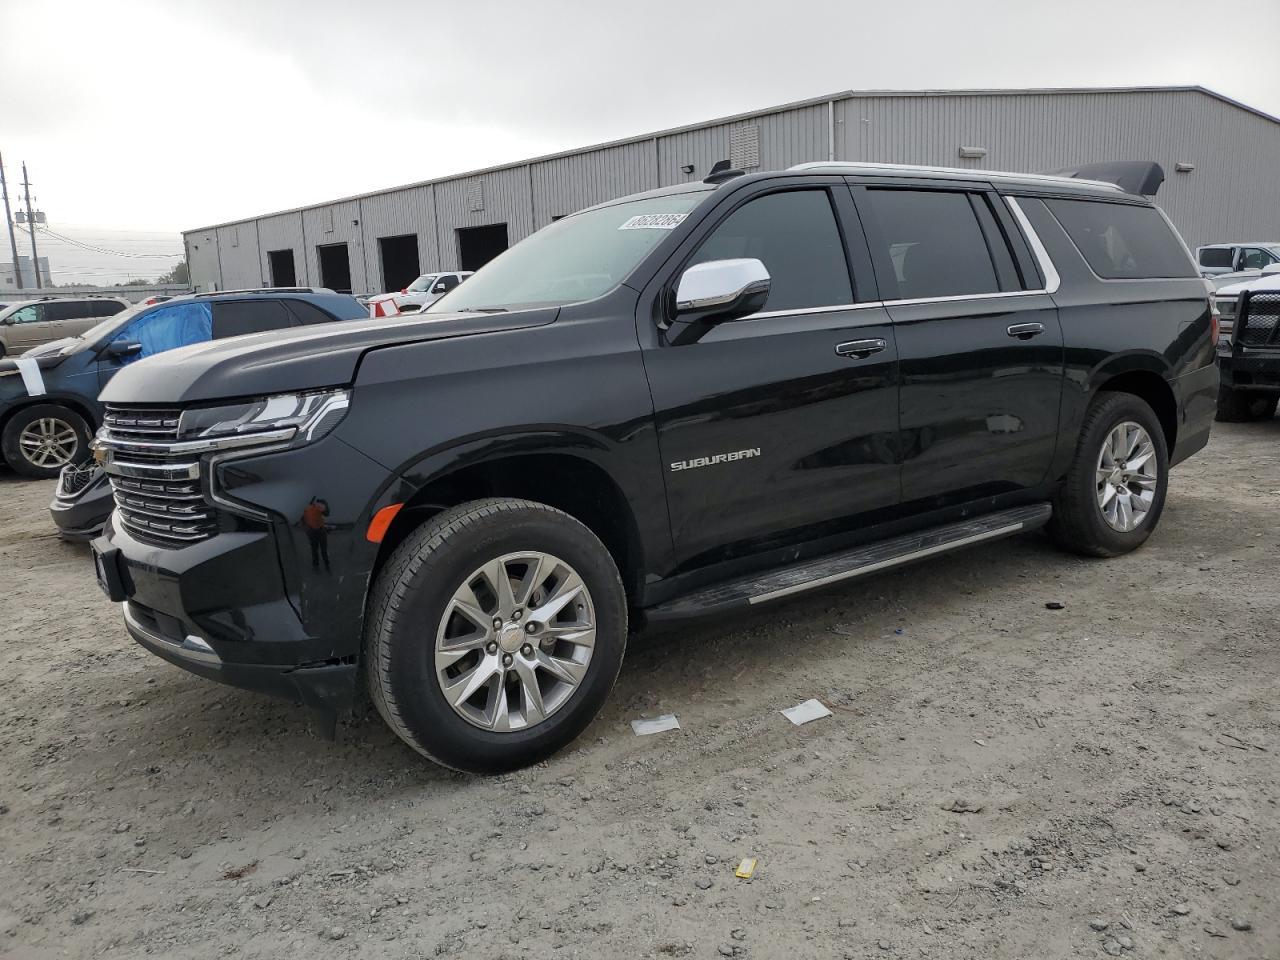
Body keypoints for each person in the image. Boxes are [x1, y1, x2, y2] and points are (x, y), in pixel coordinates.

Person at [302, 497, 330, 573]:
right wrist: (307, 530)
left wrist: (324, 507)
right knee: (315, 550)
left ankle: (326, 565)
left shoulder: (318, 508)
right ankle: (317, 566)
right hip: (313, 531)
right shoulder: (308, 509)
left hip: (320, 530)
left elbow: (326, 513)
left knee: (322, 549)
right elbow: (303, 519)